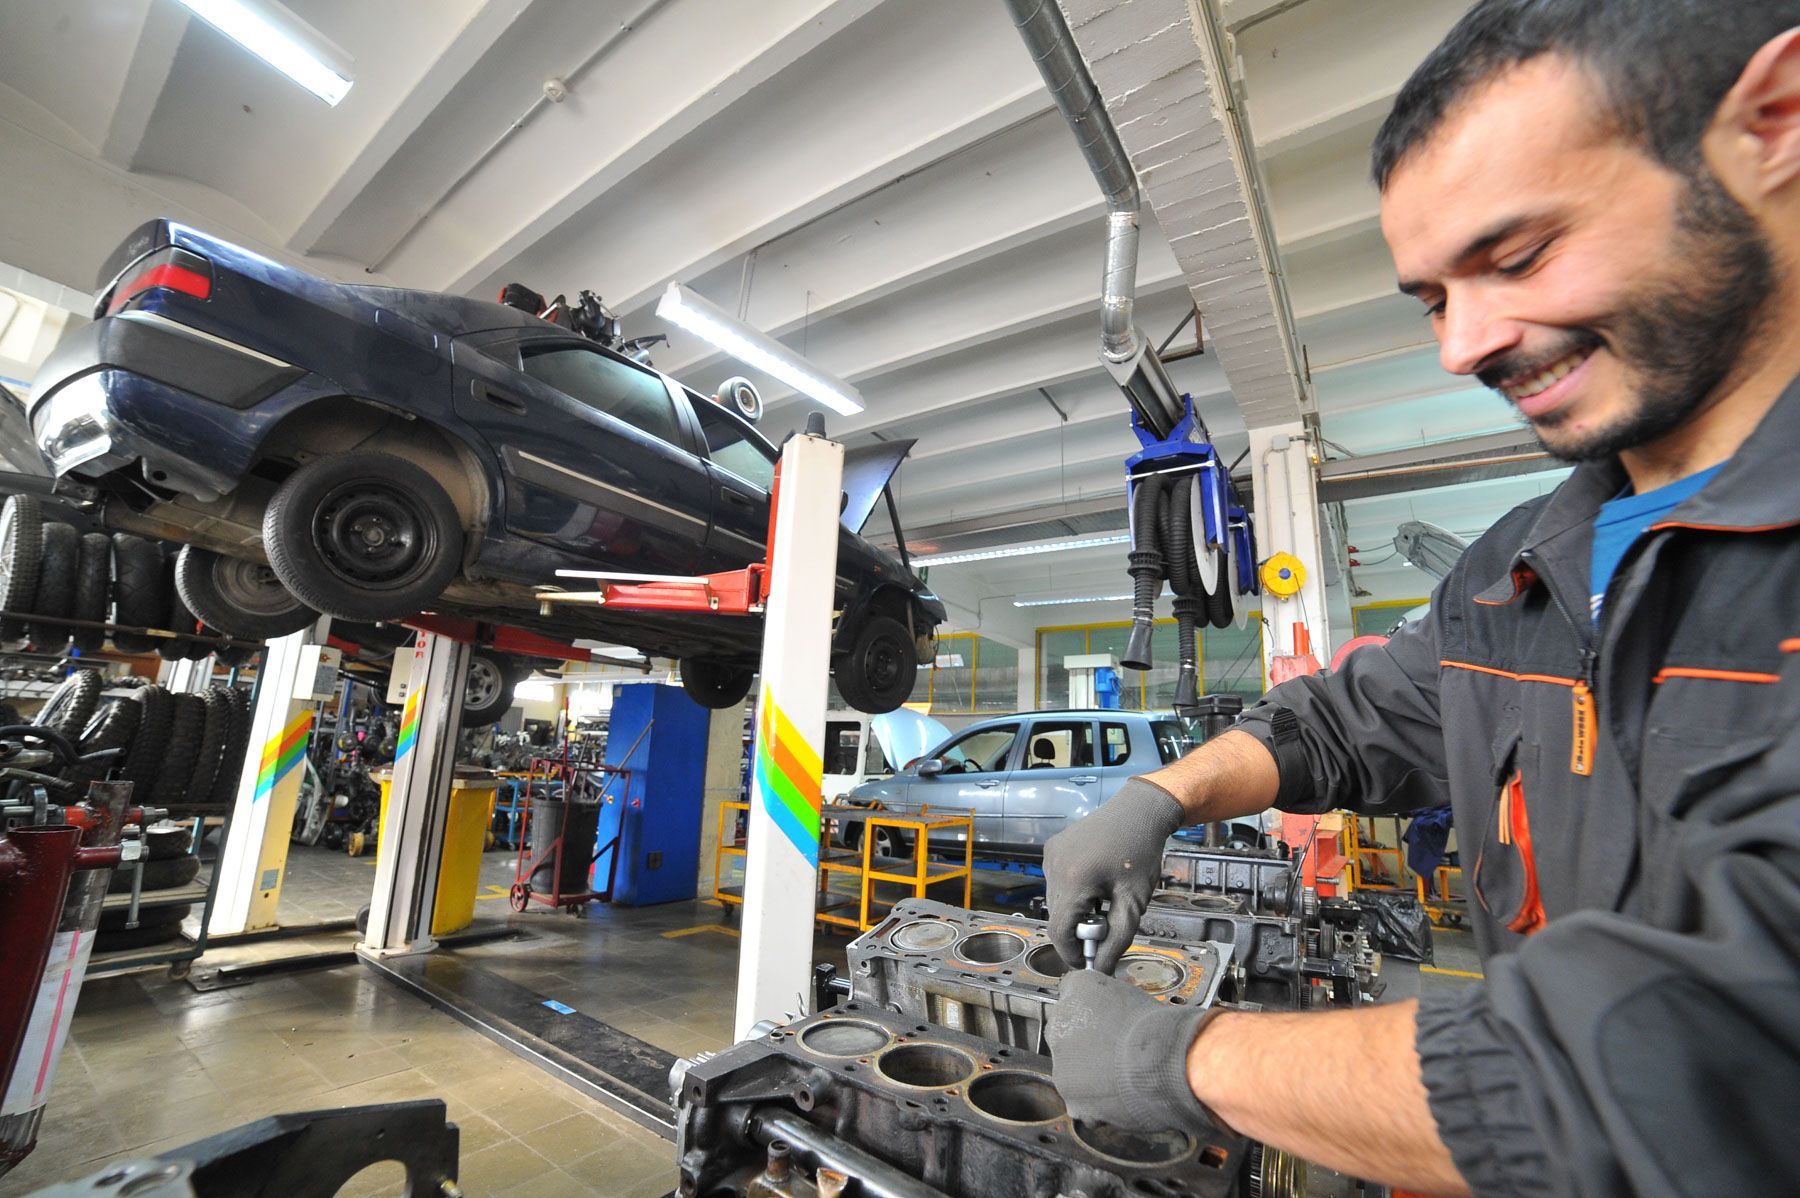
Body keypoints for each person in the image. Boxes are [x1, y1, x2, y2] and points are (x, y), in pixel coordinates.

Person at [1042, 2, 1800, 1194]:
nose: (1465, 344)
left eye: (1520, 254)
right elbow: (1350, 719)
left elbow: (1720, 1061)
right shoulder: (1524, 563)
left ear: (1775, 123)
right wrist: (1159, 793)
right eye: (1434, 297)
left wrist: (1180, 1057)